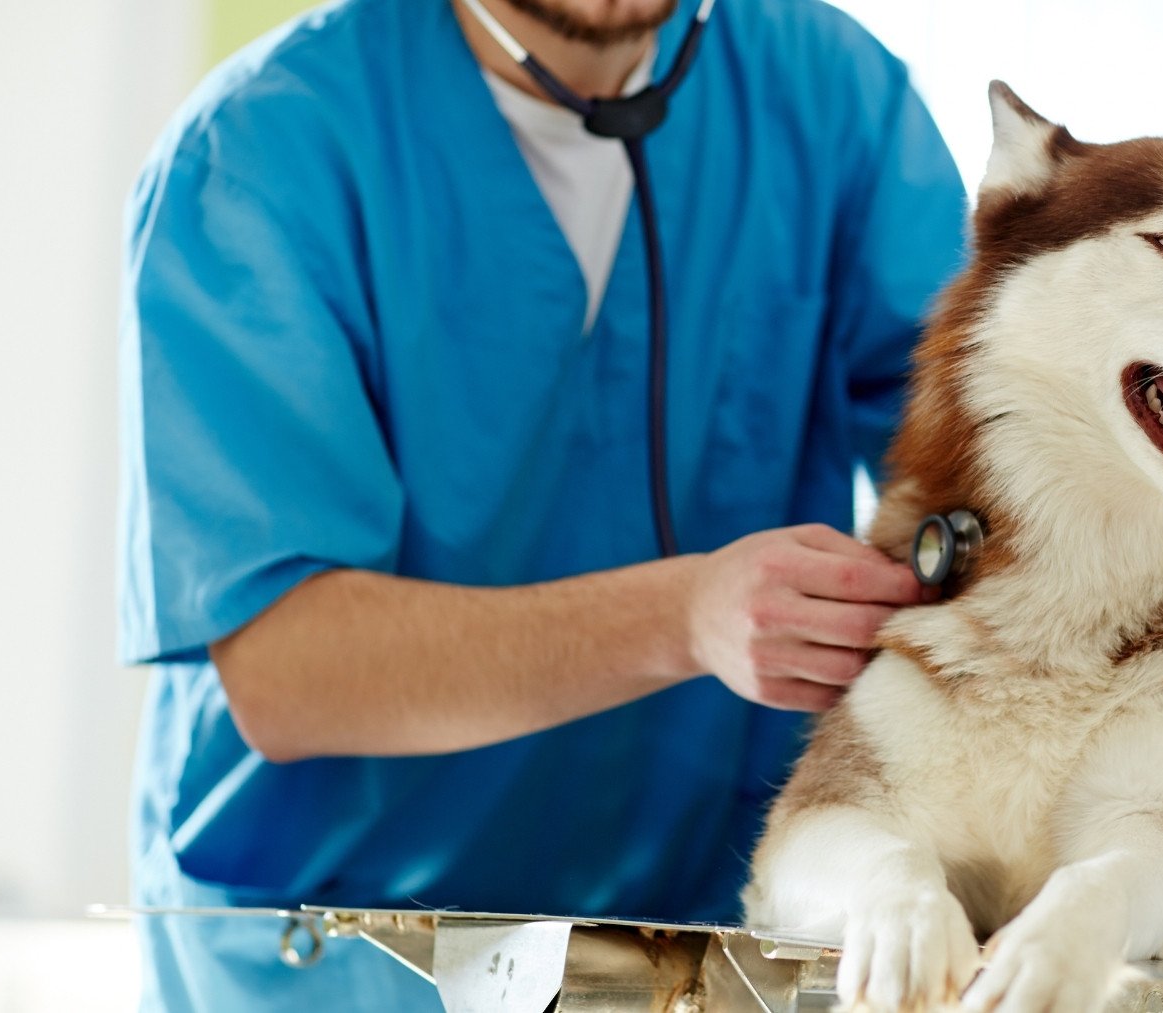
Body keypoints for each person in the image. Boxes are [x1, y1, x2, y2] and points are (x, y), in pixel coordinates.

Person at [116, 0, 967, 1006]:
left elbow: (969, 466)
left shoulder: (832, 96)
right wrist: (687, 614)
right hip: (352, 947)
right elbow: (287, 667)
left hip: (688, 935)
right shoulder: (265, 148)